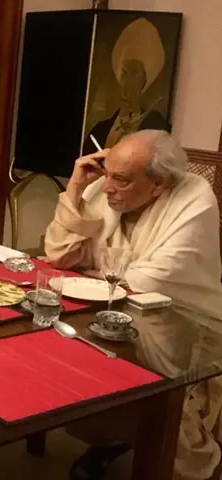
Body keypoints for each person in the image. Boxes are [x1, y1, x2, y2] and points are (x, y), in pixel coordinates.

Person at [44, 129, 222, 479]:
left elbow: (148, 282)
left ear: (159, 183)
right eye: (106, 173)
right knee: (66, 358)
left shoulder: (194, 196)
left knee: (159, 396)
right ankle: (113, 438)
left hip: (187, 322)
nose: (107, 186)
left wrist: (93, 271)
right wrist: (76, 189)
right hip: (114, 311)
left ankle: (199, 467)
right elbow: (59, 255)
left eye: (121, 180)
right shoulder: (101, 187)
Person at [82, 17, 169, 155]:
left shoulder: (153, 126)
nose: (127, 81)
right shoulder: (100, 129)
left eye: (134, 73)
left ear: (144, 80)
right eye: (124, 74)